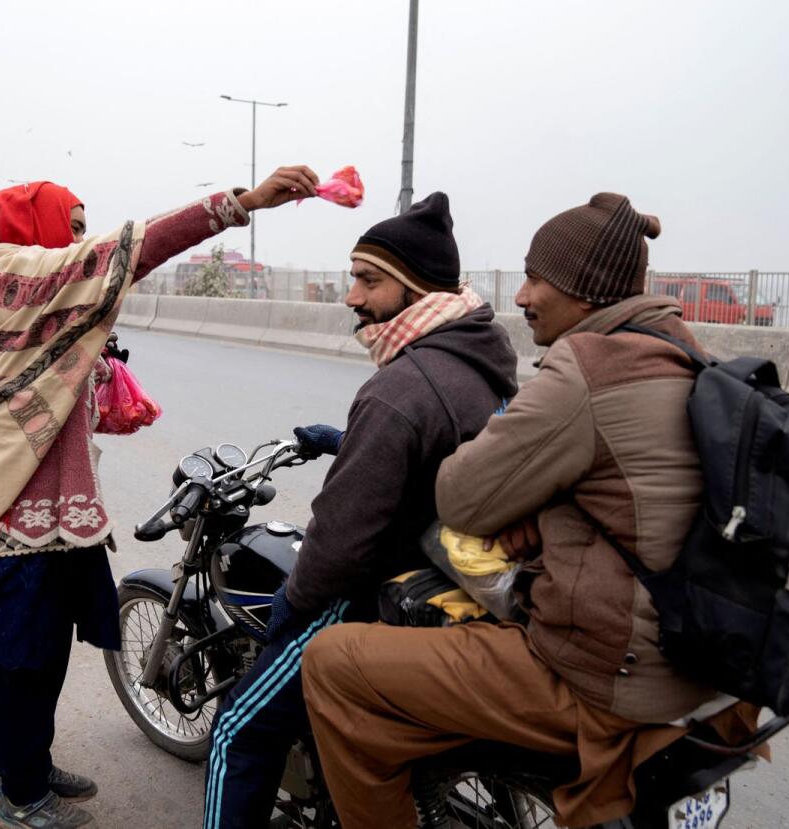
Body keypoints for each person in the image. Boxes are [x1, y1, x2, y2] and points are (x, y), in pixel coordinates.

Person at [301, 194, 762, 828]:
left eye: (535, 277)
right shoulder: (688, 354)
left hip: (602, 677)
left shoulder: (586, 367)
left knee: (333, 663)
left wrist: (526, 502)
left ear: (581, 289)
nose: (520, 296)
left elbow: (460, 496)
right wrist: (548, 503)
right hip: (705, 672)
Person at [0, 168, 319, 829]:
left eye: (85, 230)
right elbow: (137, 247)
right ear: (33, 227)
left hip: (65, 519)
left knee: (49, 654)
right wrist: (242, 203)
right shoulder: (8, 278)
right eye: (74, 226)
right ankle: (19, 790)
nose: (83, 241)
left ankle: (35, 761)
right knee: (19, 660)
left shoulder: (47, 300)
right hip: (18, 519)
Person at [203, 193, 519, 829]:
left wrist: (295, 601)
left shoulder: (399, 391)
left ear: (417, 288)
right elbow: (436, 463)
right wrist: (349, 443)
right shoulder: (480, 362)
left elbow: (341, 545)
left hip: (375, 589)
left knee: (238, 729)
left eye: (369, 280)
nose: (352, 296)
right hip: (453, 580)